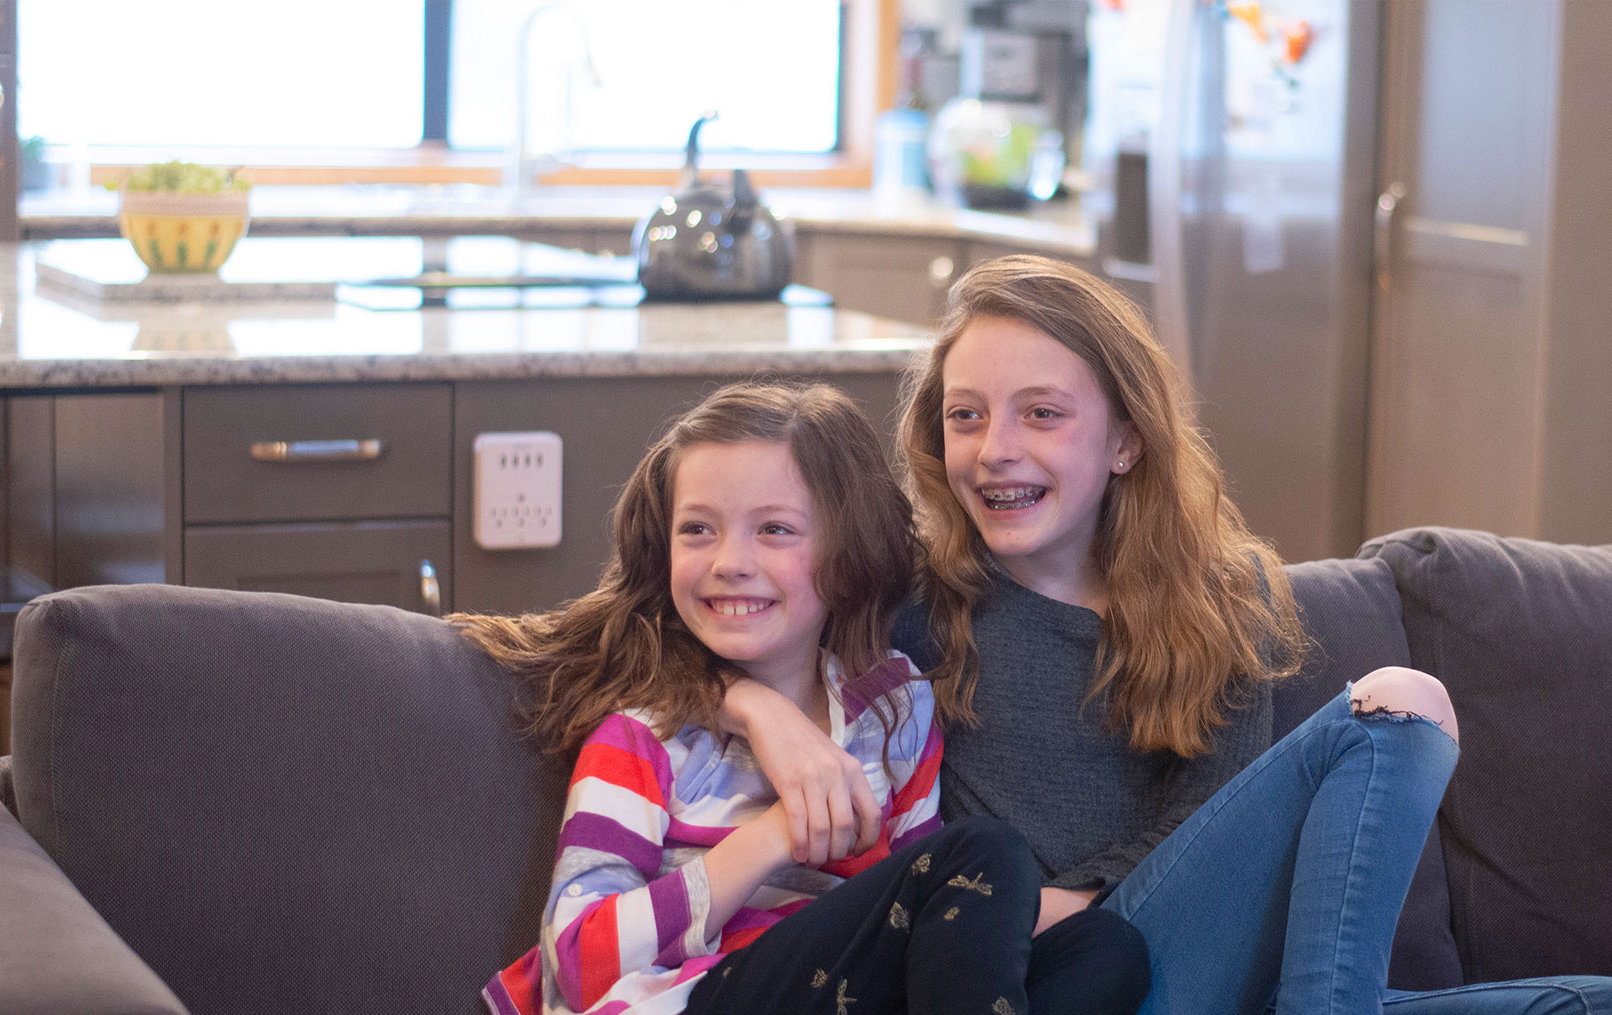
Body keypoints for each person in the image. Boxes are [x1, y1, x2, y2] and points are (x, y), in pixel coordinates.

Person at [723, 256, 1612, 1014]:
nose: (994, 447)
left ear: (1125, 440)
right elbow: (637, 639)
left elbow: (1203, 829)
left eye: (1041, 413)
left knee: (1415, 727)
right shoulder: (915, 594)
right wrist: (762, 708)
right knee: (1402, 704)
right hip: (1024, 967)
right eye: (966, 415)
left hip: (1159, 938)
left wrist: (1068, 903)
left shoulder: (1226, 597)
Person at [458, 381, 1152, 1015]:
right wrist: (774, 837)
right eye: (697, 528)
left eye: (775, 528)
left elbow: (930, 916)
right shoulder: (642, 736)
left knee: (1105, 949)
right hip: (692, 1000)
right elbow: (575, 963)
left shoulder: (894, 708)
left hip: (841, 993)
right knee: (989, 851)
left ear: (846, 553)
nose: (730, 560)